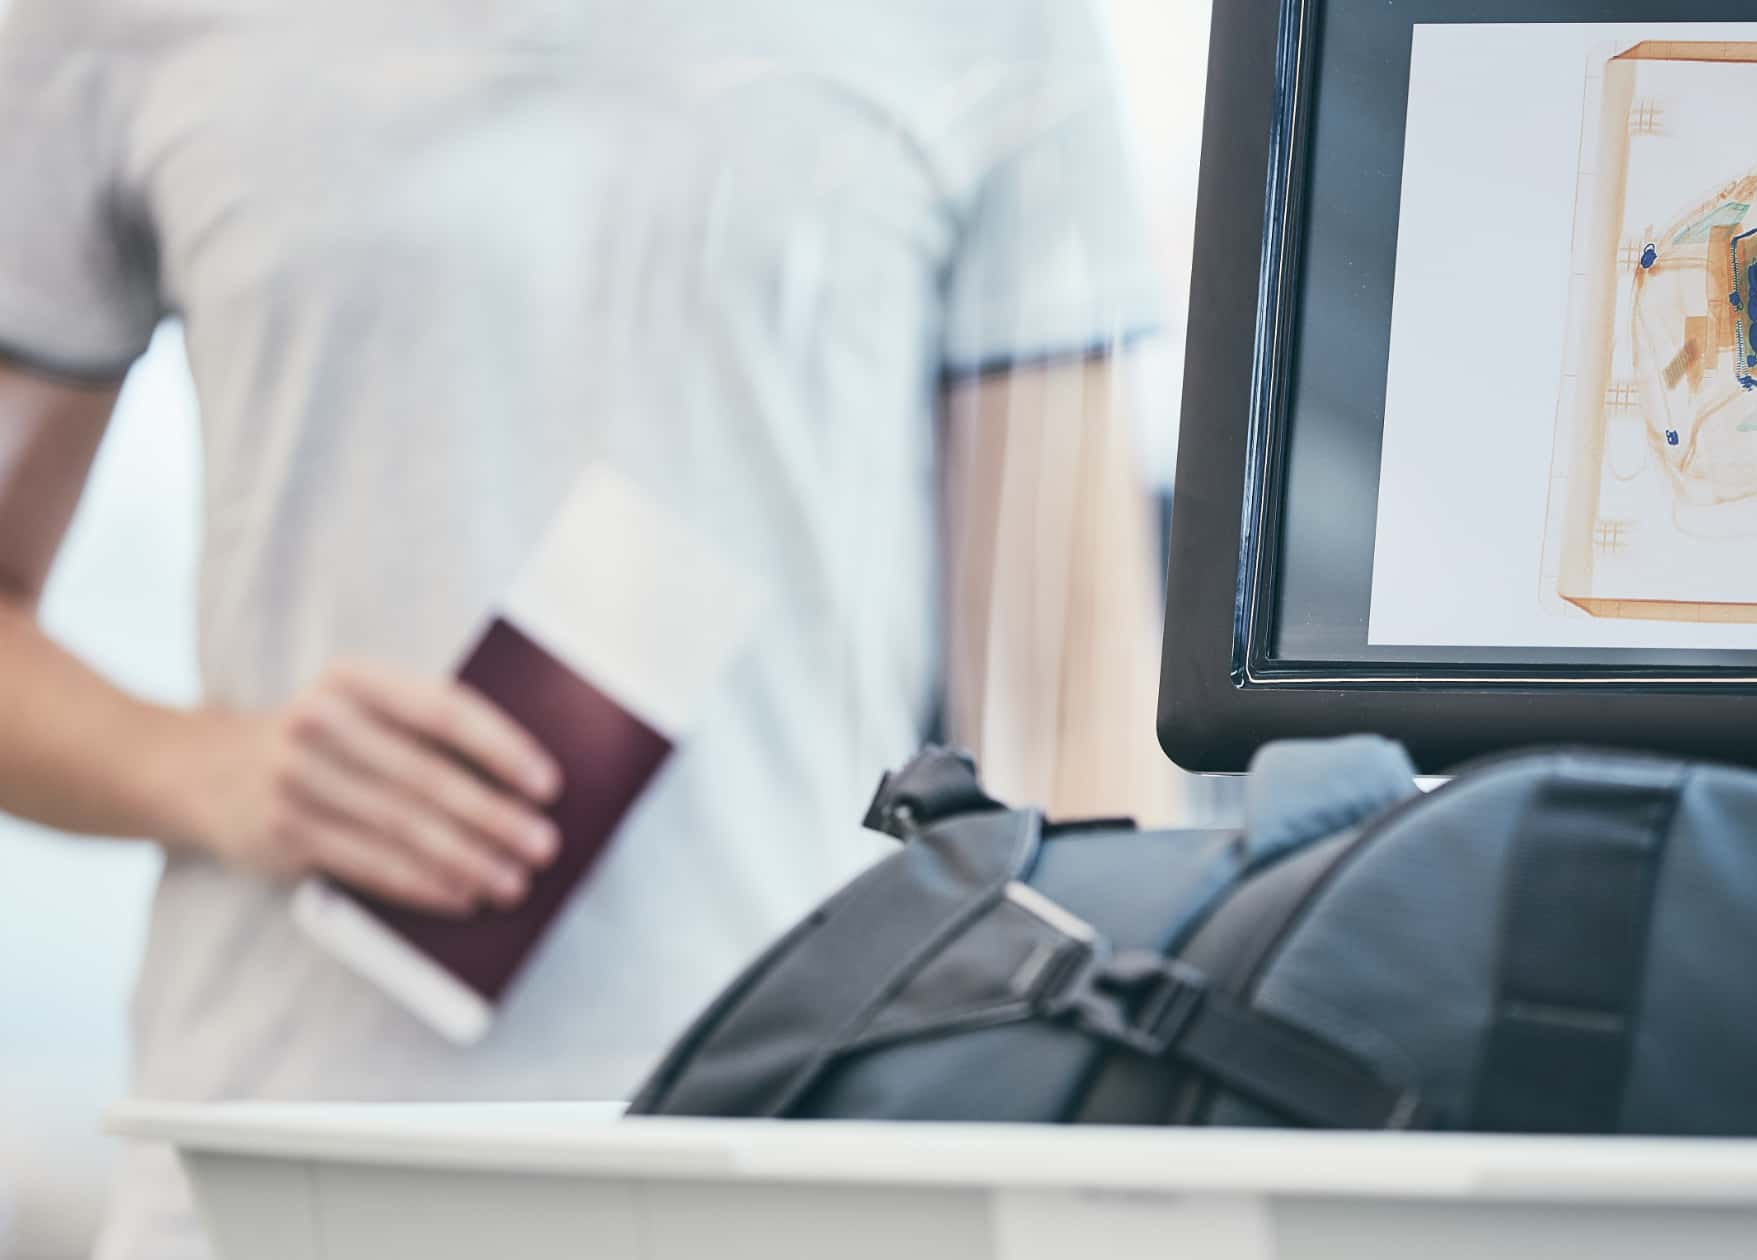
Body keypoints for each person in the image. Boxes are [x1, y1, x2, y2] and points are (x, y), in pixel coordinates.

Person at [0, 2, 1176, 1256]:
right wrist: (217, 771)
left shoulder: (993, 25)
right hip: (276, 1168)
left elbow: (1071, 719)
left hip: (803, 1160)